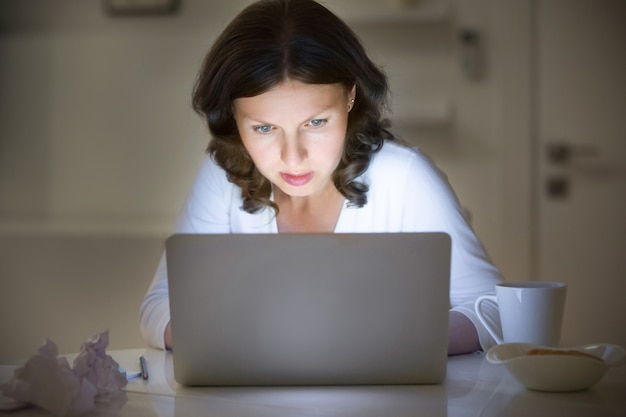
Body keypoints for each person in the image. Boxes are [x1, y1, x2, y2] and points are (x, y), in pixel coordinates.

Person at [140, 0, 503, 355]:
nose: (293, 157)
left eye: (315, 122)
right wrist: (237, 339)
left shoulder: (404, 177)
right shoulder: (223, 174)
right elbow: (159, 305)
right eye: (265, 128)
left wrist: (395, 341)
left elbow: (493, 308)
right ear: (232, 118)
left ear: (350, 97)